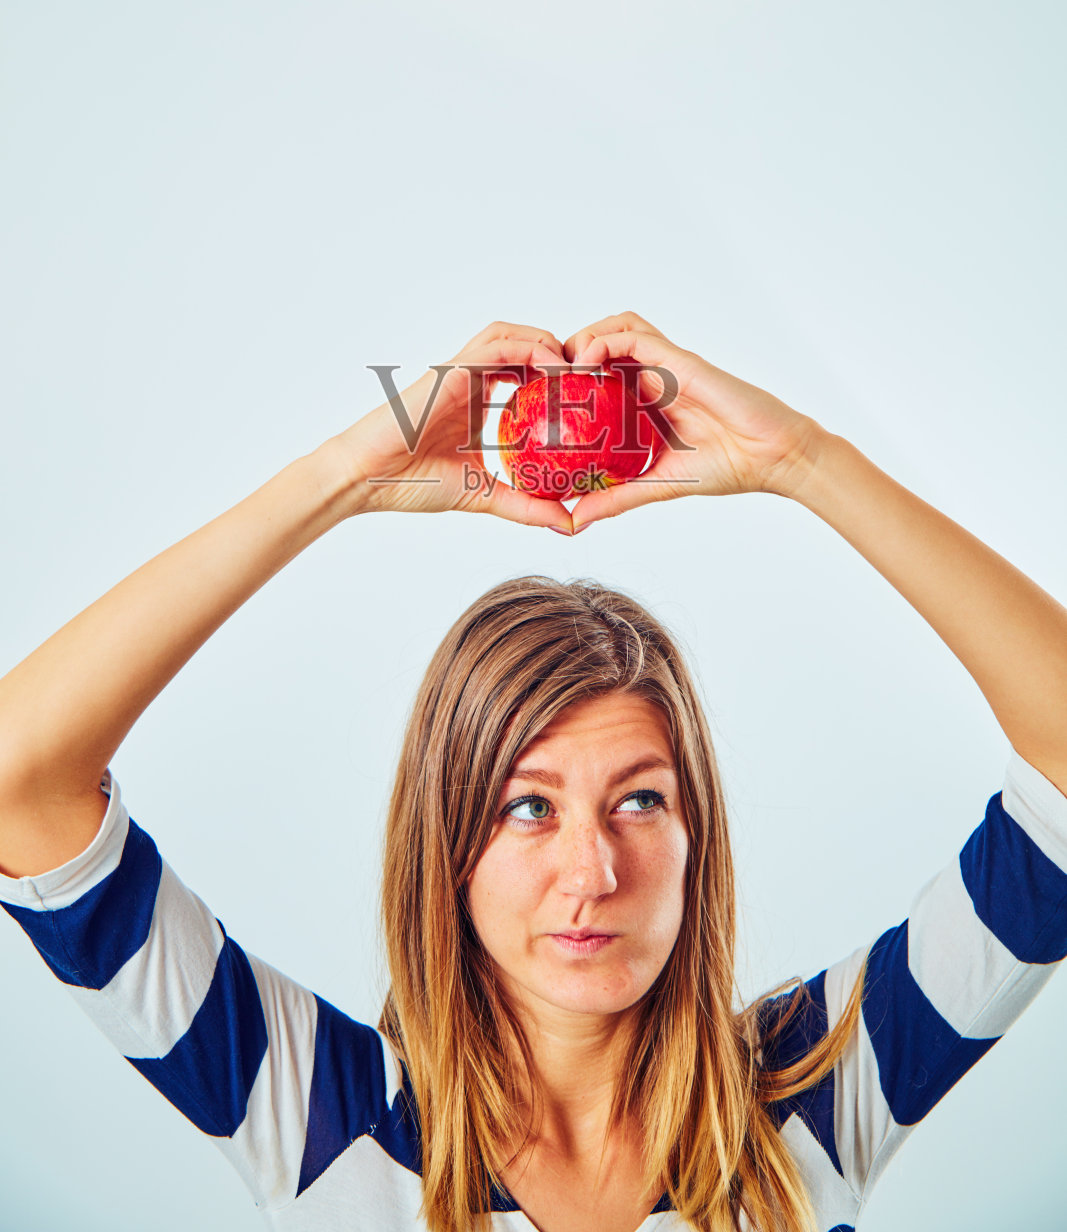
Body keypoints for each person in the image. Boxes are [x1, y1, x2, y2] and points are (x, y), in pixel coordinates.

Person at [1, 311, 1066, 1232]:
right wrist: (344, 477)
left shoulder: (816, 1090)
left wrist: (801, 462)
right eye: (525, 807)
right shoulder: (317, 1111)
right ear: (446, 847)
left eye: (639, 799)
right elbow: (18, 779)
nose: (589, 870)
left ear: (701, 837)